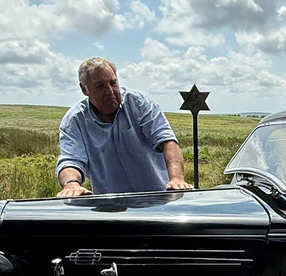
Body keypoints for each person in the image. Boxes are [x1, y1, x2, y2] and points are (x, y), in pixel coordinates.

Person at [55, 58, 191, 196]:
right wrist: (72, 185)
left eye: (113, 83)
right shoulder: (75, 120)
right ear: (84, 89)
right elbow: (71, 159)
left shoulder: (138, 103)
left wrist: (176, 179)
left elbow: (167, 141)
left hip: (158, 199)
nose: (109, 91)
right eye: (100, 86)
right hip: (112, 207)